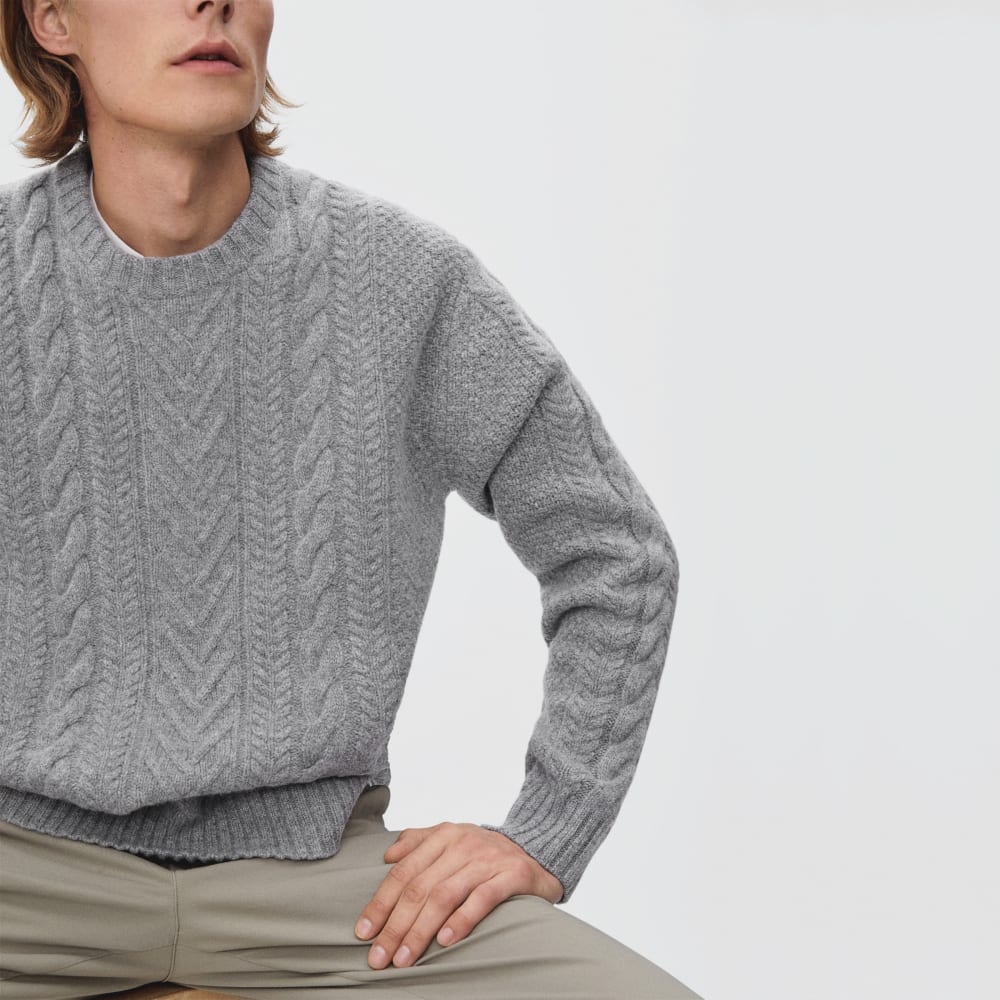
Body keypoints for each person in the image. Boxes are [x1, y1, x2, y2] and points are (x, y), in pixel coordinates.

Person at [0, 2, 701, 998]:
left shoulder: (400, 281)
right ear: (52, 20)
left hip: (323, 886)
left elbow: (616, 551)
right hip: (26, 871)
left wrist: (546, 829)